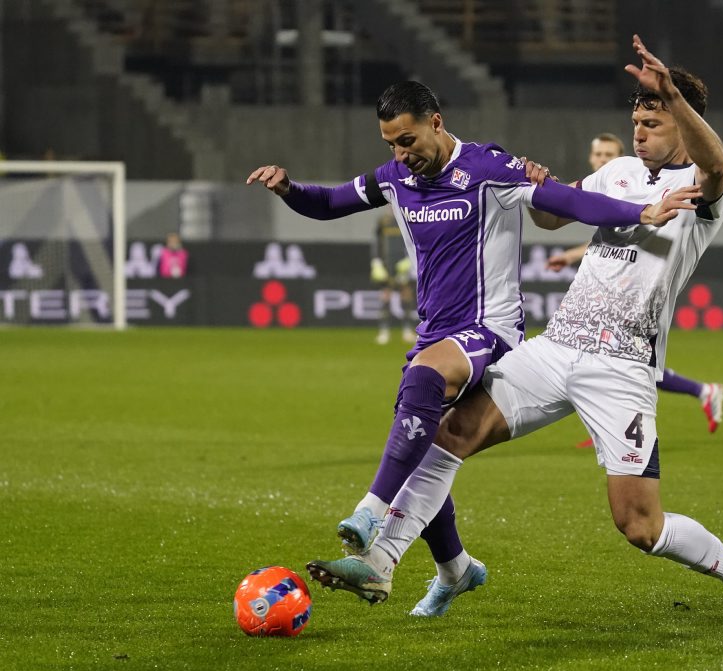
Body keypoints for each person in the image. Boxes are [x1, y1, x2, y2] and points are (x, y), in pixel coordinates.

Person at [309, 36, 723, 628]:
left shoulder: (701, 189)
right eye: (636, 119)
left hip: (624, 366)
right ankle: (381, 559)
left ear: (684, 123)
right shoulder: (616, 174)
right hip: (557, 349)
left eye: (653, 121)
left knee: (639, 525)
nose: (639, 131)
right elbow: (552, 214)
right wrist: (536, 183)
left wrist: (675, 97)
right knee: (449, 434)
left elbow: (716, 166)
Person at [247, 79, 687, 615]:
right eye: (390, 144)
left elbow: (566, 200)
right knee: (425, 446)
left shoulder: (487, 168)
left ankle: (370, 512)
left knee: (424, 388)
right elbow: (330, 202)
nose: (400, 155)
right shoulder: (395, 178)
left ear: (436, 122)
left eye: (407, 140)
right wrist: (289, 188)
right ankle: (455, 568)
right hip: (436, 334)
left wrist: (638, 213)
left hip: (490, 330)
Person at [548, 132, 723, 436]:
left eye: (608, 154)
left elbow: (635, 231)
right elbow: (590, 227)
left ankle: (701, 391)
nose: (603, 160)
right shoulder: (607, 181)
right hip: (591, 318)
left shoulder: (653, 183)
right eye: (598, 155)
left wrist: (570, 255)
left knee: (628, 367)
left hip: (634, 314)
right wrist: (535, 189)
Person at [371, 211, 417, 344]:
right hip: (387, 263)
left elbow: (413, 241)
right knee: (386, 296)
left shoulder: (407, 218)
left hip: (403, 264)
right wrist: (376, 261)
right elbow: (377, 241)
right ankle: (384, 331)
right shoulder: (383, 220)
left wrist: (409, 259)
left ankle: (407, 331)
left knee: (406, 295)